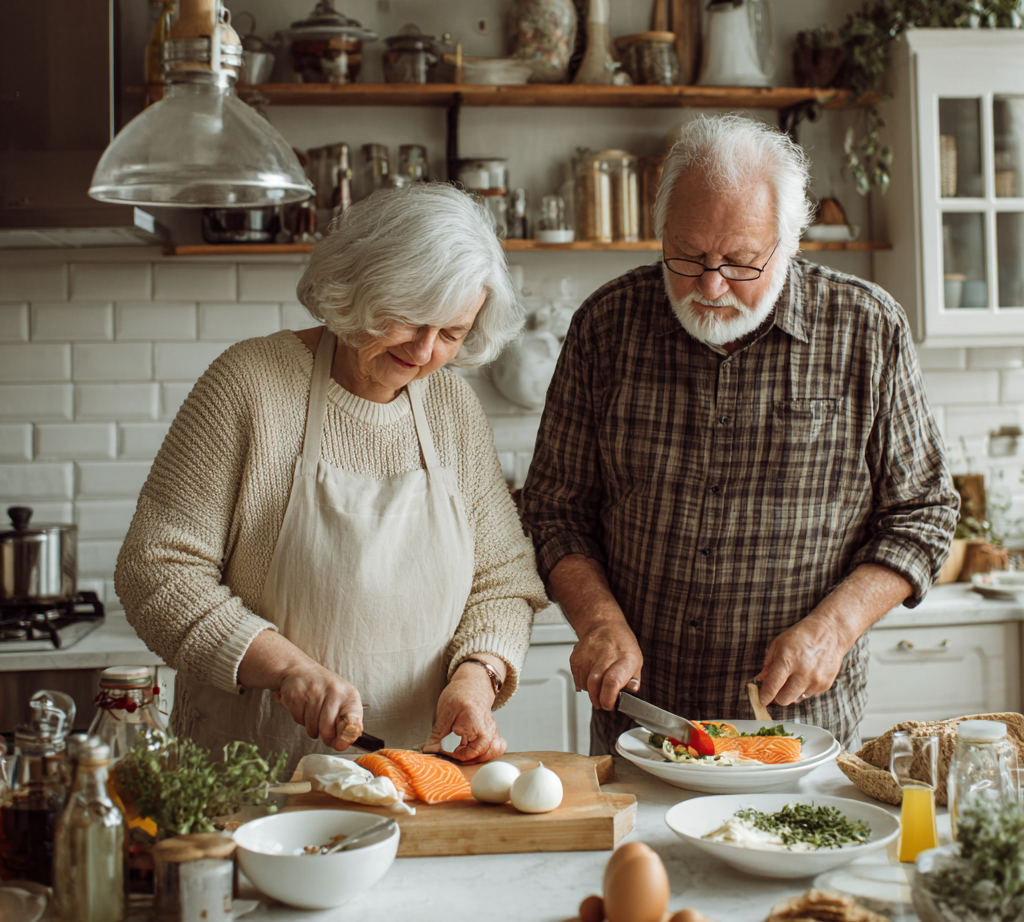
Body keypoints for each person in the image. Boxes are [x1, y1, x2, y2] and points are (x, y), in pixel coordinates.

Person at [522, 115, 958, 753]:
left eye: (740, 262)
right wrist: (597, 620)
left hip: (798, 728)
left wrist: (832, 630)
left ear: (788, 244)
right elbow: (554, 506)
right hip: (643, 722)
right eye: (688, 256)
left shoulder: (868, 330)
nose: (709, 286)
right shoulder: (606, 327)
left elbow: (923, 513)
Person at [116, 184, 547, 770]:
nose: (424, 354)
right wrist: (286, 667)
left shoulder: (451, 408)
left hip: (415, 772)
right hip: (255, 776)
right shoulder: (248, 385)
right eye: (410, 320)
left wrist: (477, 675)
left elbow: (503, 577)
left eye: (451, 334)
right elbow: (156, 570)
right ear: (361, 290)